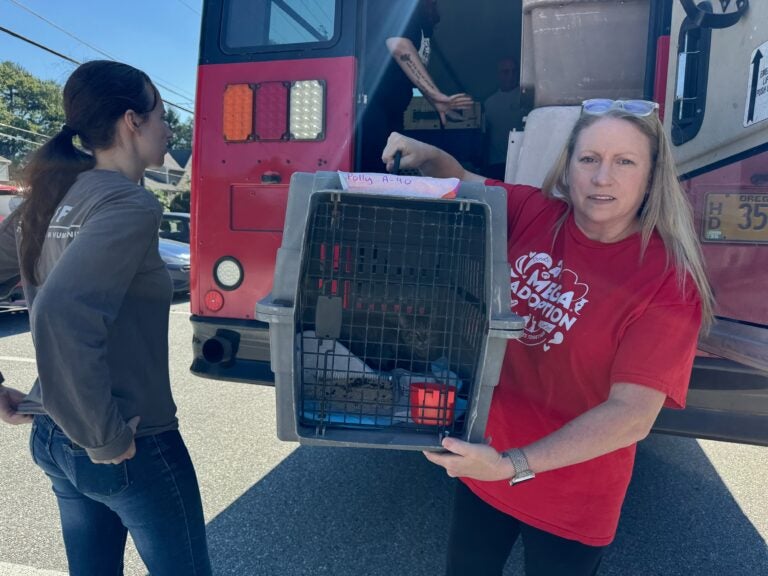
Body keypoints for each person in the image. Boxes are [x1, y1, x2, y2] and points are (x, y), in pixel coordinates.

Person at [381, 99, 714, 576]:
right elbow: (463, 180)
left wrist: (513, 464)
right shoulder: (534, 212)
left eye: (624, 162)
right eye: (589, 159)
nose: (603, 178)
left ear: (651, 175)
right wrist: (425, 151)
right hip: (483, 464)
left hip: (570, 495)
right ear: (568, 165)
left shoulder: (668, 281)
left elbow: (631, 415)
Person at [0, 60, 212, 576]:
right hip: (130, 441)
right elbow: (62, 312)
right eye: (163, 114)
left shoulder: (48, 199)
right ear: (131, 121)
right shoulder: (129, 203)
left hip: (52, 432)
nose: (170, 129)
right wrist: (105, 438)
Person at [359, 0, 473, 171]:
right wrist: (435, 94)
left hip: (393, 112)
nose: (436, 8)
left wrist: (435, 100)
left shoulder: (422, 30)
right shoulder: (405, 13)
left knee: (391, 166)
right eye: (433, 4)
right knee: (377, 168)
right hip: (373, 108)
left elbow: (414, 72)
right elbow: (398, 46)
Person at [483, 58, 524, 180]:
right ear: (498, 75)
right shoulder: (489, 104)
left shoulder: (527, 99)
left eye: (514, 71)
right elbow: (485, 137)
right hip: (497, 163)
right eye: (506, 72)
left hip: (522, 162)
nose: (511, 76)